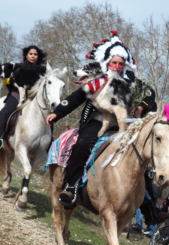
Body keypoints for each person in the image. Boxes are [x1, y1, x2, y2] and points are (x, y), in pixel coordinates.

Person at [46, 30, 169, 226]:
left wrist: (141, 106)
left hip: (123, 127)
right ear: (108, 63)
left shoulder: (130, 83)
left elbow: (149, 94)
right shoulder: (96, 80)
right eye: (114, 63)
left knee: (141, 160)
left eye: (121, 64)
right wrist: (57, 113)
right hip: (94, 124)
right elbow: (75, 98)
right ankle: (70, 187)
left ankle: (150, 211)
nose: (118, 67)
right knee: (82, 145)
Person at [0, 45, 47, 148]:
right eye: (31, 54)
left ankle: (50, 143)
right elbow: (4, 81)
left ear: (38, 56)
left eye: (35, 54)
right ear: (26, 55)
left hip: (34, 96)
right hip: (16, 94)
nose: (33, 56)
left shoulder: (43, 70)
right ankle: (1, 137)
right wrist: (11, 78)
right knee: (7, 110)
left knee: (48, 115)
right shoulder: (16, 66)